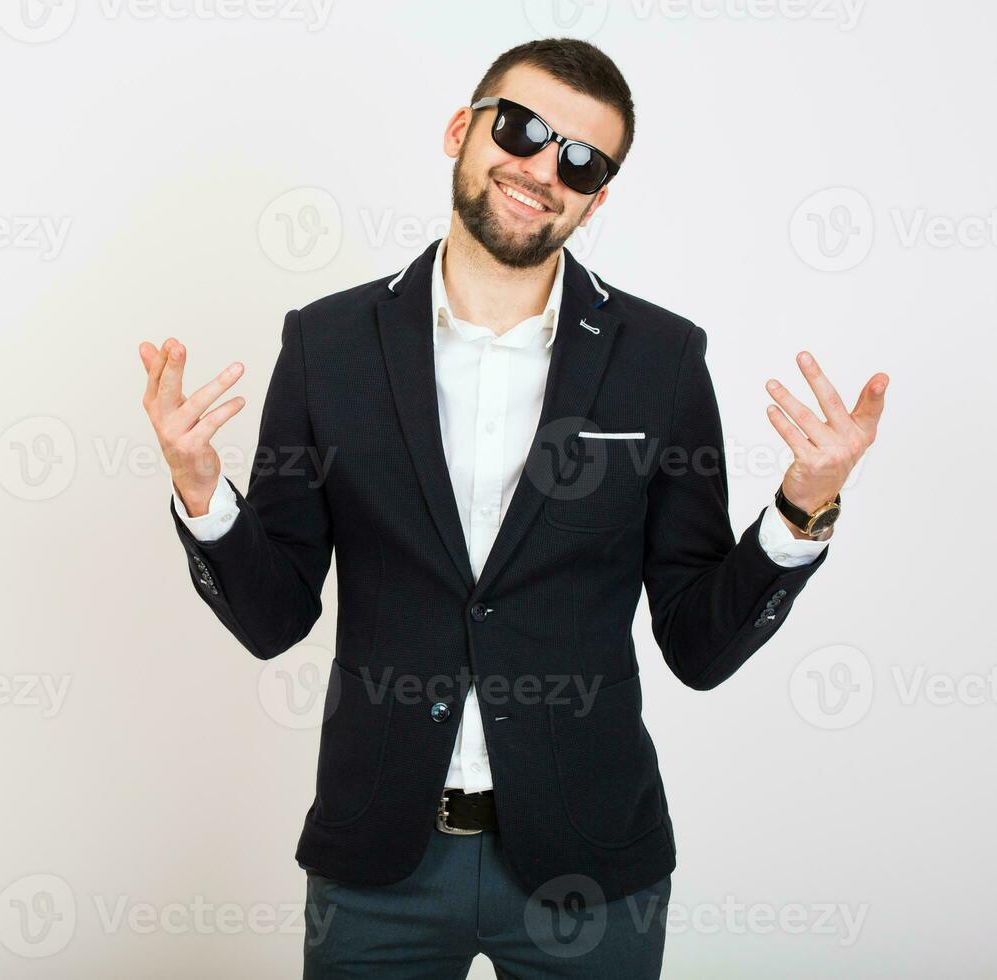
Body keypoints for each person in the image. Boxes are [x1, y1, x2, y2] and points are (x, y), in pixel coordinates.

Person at [138, 37, 887, 979]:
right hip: (377, 866)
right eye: (523, 130)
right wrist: (202, 492)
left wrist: (801, 509)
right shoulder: (328, 345)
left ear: (597, 197)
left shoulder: (659, 359)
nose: (542, 169)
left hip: (592, 868)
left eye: (580, 160)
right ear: (463, 127)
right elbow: (275, 618)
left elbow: (697, 644)